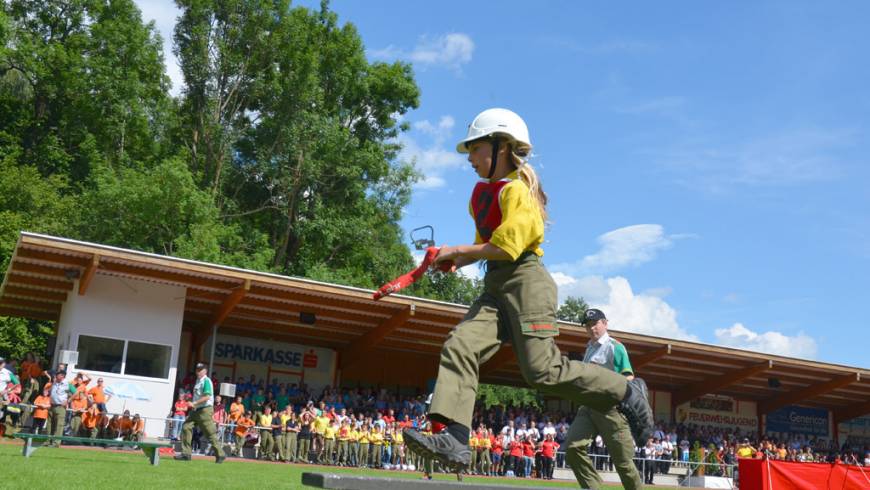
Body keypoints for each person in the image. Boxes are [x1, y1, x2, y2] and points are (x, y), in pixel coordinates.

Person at [402, 108, 654, 471]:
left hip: (527, 282)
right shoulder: (480, 196)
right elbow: (486, 245)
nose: (469, 158)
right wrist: (459, 260)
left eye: (474, 149)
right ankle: (455, 440)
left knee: (542, 373)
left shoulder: (519, 192)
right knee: (460, 345)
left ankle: (627, 390)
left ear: (501, 147)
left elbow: (507, 247)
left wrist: (457, 251)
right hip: (495, 284)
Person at [564, 308, 644, 489]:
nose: (591, 328)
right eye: (587, 325)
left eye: (595, 323)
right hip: (588, 407)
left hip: (610, 409)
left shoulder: (615, 347)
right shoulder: (589, 347)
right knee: (572, 448)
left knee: (623, 463)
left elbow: (628, 378)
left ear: (605, 323)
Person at [175, 363, 225, 463]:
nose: (198, 371)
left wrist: (194, 403)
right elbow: (198, 396)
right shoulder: (198, 381)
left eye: (200, 370)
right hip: (196, 410)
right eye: (197, 369)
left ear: (205, 371)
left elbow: (207, 396)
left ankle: (220, 454)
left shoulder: (206, 381)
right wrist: (190, 399)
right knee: (186, 427)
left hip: (205, 410)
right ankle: (186, 454)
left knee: (209, 433)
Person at [47, 370, 76, 446]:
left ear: (62, 376)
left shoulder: (67, 384)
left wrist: (68, 401)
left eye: (58, 374)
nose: (56, 375)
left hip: (60, 407)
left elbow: (76, 393)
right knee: (50, 424)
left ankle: (56, 443)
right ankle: (47, 440)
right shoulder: (55, 382)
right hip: (52, 406)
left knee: (58, 425)